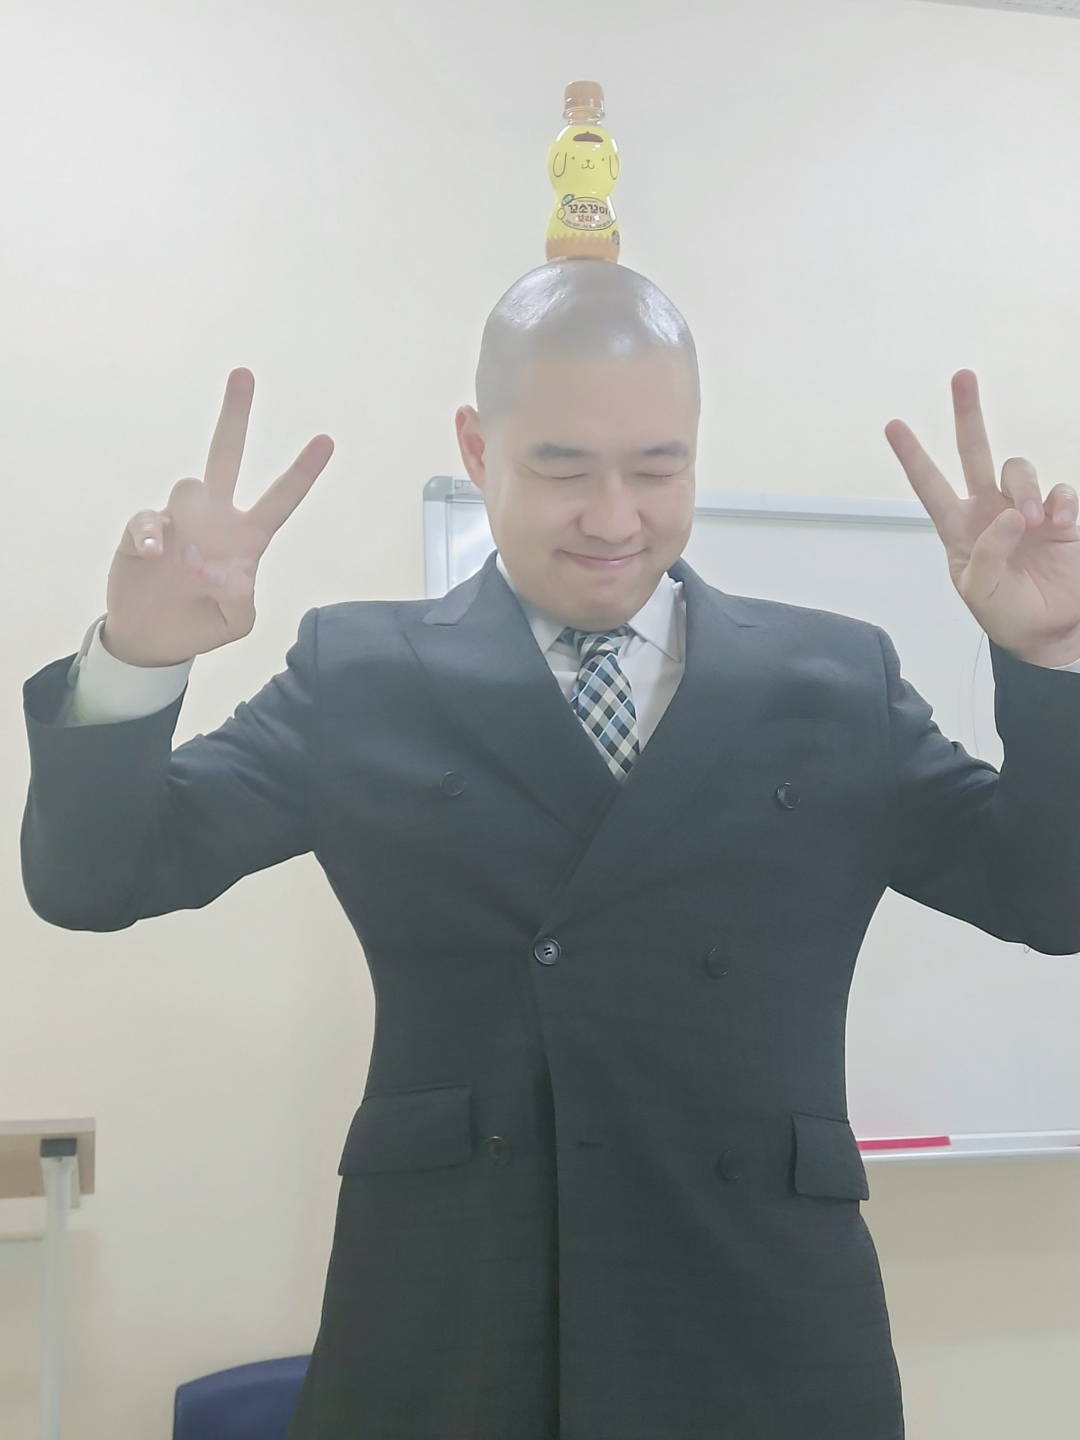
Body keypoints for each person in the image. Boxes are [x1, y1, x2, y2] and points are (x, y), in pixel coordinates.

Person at [20, 258, 1080, 1440]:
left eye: (656, 468)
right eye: (564, 468)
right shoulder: (363, 674)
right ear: (479, 449)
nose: (614, 518)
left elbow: (1051, 898)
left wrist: (1050, 663)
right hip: (455, 1318)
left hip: (763, 1320)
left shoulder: (833, 679)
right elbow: (98, 879)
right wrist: (138, 660)